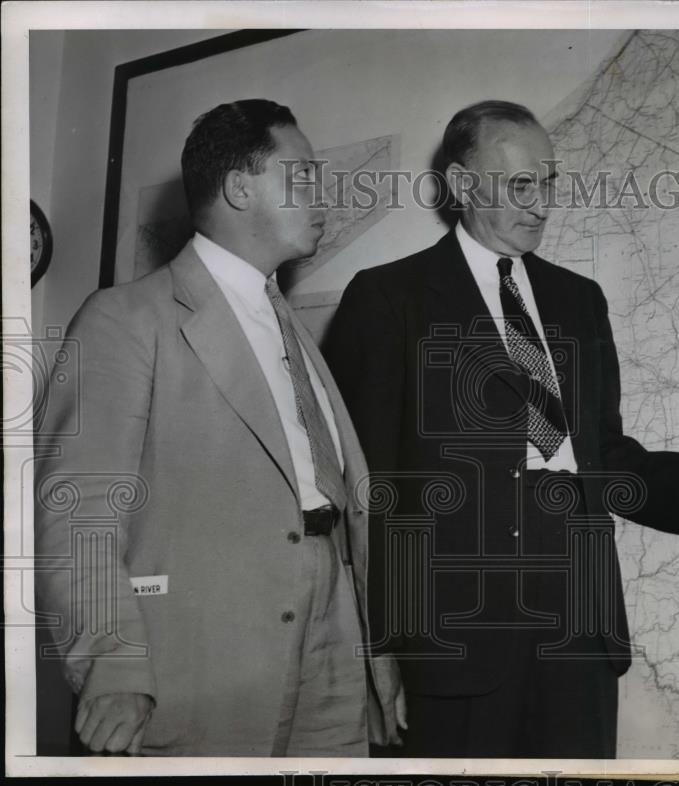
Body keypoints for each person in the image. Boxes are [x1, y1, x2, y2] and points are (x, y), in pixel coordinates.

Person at [325, 100, 679, 759]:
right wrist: (382, 654)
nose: (541, 203)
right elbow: (367, 491)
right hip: (452, 649)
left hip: (578, 636)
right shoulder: (388, 298)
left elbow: (599, 455)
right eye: (520, 184)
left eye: (548, 183)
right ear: (461, 185)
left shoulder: (578, 300)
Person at [34, 99, 403, 756]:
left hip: (332, 647)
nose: (325, 192)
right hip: (205, 662)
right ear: (239, 187)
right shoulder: (125, 318)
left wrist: (375, 655)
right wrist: (111, 664)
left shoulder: (291, 327)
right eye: (305, 175)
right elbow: (78, 511)